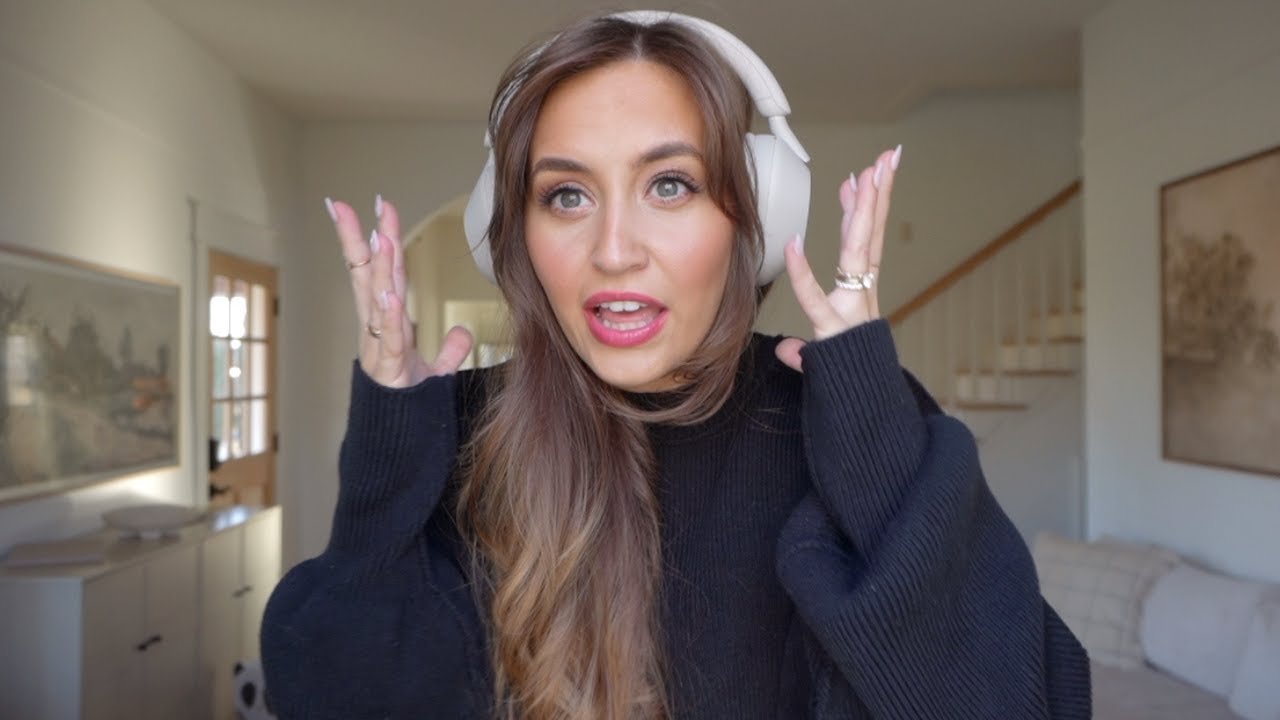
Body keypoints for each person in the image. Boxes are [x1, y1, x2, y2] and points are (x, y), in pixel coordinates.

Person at [261, 11, 1091, 720]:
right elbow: (334, 691)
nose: (614, 250)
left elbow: (1023, 700)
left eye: (669, 185)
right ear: (515, 236)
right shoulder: (458, 432)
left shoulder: (841, 422)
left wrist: (875, 434)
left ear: (753, 219)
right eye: (566, 195)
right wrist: (387, 467)